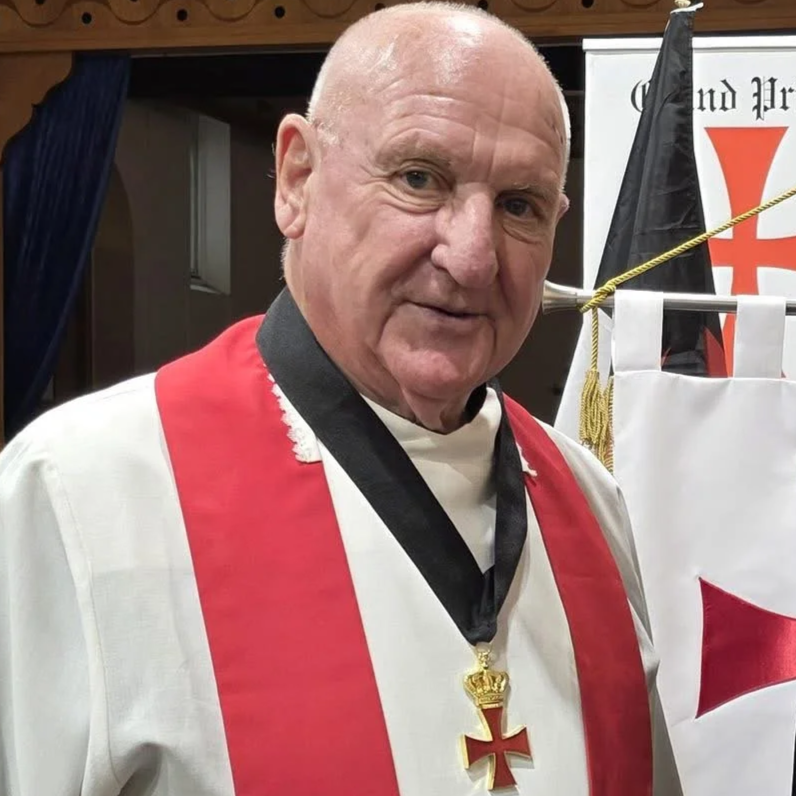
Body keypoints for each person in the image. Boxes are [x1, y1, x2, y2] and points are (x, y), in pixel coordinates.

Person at [0, 4, 682, 795]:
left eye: (519, 205)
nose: (471, 257)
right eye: (419, 178)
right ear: (297, 179)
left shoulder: (589, 503)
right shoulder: (75, 494)